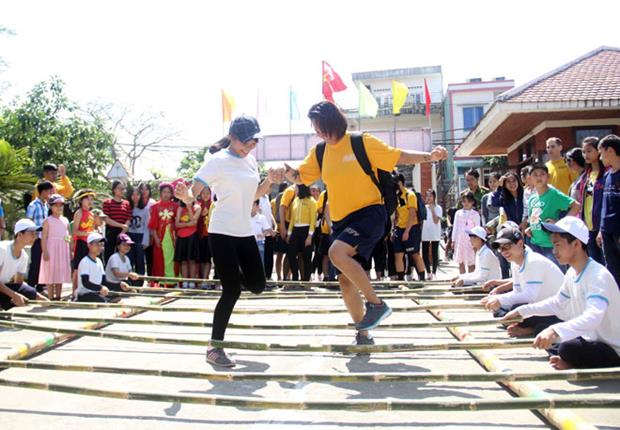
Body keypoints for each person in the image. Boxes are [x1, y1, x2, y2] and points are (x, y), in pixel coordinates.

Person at [283, 101, 447, 347]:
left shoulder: (361, 142)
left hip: (370, 214)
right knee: (345, 280)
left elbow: (398, 155)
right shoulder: (320, 152)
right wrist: (283, 172)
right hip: (341, 221)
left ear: (332, 122)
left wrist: (430, 157)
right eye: (314, 128)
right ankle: (364, 333)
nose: (317, 132)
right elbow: (300, 175)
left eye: (319, 126)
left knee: (336, 252)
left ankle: (377, 304)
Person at [175, 115, 283, 368]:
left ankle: (228, 277)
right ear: (232, 137)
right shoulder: (217, 161)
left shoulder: (251, 161)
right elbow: (194, 192)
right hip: (222, 231)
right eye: (246, 141)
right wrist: (186, 196)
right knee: (232, 290)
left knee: (257, 284)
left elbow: (254, 194)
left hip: (244, 231)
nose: (250, 146)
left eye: (254, 142)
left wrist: (270, 181)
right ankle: (215, 347)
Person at [503, 216, 620, 369]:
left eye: (558, 245)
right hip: (589, 339)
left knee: (565, 346)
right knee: (548, 337)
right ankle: (572, 360)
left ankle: (575, 361)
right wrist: (523, 311)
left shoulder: (598, 276)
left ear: (576, 244)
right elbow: (557, 302)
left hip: (611, 347)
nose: (554, 251)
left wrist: (554, 330)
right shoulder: (572, 272)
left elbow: (593, 317)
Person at [482, 223, 564, 337]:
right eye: (500, 248)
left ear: (520, 244)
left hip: (557, 311)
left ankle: (532, 329)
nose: (503, 251)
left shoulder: (533, 261)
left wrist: (499, 299)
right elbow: (518, 292)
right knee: (507, 311)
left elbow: (530, 296)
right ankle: (529, 327)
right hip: (539, 307)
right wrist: (496, 299)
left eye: (507, 246)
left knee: (512, 311)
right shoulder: (515, 262)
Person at [526, 162, 580, 269]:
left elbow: (576, 206)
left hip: (551, 245)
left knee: (557, 276)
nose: (539, 177)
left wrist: (561, 224)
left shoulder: (554, 194)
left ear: (548, 177)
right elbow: (534, 216)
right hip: (535, 243)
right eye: (535, 175)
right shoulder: (532, 197)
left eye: (542, 174)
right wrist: (530, 227)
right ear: (530, 178)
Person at [0, 219, 49, 310]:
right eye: (31, 233)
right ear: (19, 235)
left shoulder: (24, 256)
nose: (35, 237)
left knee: (29, 292)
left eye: (36, 233)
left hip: (2, 288)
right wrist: (14, 295)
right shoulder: (2, 249)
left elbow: (19, 284)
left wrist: (37, 295)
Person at [76, 232, 130, 303]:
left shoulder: (99, 261)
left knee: (116, 295)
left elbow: (104, 282)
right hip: (85, 294)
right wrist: (100, 288)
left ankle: (107, 300)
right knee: (99, 299)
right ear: (89, 245)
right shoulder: (85, 261)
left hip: (97, 292)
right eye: (97, 244)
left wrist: (119, 284)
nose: (100, 247)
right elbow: (85, 283)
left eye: (101, 245)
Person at [38, 194, 72, 300]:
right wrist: (45, 251)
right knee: (50, 272)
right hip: (51, 248)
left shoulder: (66, 220)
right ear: (51, 206)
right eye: (56, 205)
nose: (59, 207)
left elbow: (67, 236)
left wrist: (69, 249)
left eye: (61, 205)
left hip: (63, 248)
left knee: (60, 272)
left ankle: (58, 296)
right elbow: (43, 238)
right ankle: (50, 296)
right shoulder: (47, 221)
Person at [392, 174, 424, 281]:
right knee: (398, 255)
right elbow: (396, 215)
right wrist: (394, 229)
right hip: (399, 229)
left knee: (415, 254)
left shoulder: (410, 195)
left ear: (400, 182)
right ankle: (401, 280)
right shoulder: (397, 197)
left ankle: (422, 278)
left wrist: (407, 231)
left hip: (411, 229)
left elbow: (412, 214)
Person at [598, 134, 620, 288]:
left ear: (610, 150)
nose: (600, 157)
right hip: (606, 232)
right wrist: (601, 229)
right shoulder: (606, 175)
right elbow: (605, 206)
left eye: (601, 152)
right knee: (612, 272)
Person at [580, 137, 606, 265]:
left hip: (602, 227)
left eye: (589, 151)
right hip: (588, 227)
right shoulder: (586, 175)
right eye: (584, 152)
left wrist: (602, 227)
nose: (586, 155)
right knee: (594, 264)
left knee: (607, 264)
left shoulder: (607, 173)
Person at [148, 182, 178, 283]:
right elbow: (152, 225)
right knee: (160, 258)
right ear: (160, 193)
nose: (166, 194)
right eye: (164, 192)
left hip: (172, 235)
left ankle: (172, 280)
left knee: (172, 256)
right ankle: (161, 281)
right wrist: (155, 237)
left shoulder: (176, 206)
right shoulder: (155, 207)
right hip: (160, 235)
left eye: (169, 192)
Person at [26, 180, 53, 292]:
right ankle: (31, 286)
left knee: (44, 262)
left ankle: (41, 285)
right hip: (37, 238)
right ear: (43, 191)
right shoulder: (33, 205)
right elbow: (29, 221)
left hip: (46, 238)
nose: (50, 194)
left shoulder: (47, 205)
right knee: (35, 261)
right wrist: (34, 235)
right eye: (48, 191)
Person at [286, 184, 317, 282]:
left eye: (297, 187)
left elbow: (313, 220)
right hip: (295, 230)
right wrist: (289, 233)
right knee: (291, 254)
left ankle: (306, 280)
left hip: (306, 230)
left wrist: (310, 236)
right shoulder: (295, 200)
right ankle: (295, 277)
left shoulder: (312, 201)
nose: (295, 189)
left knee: (306, 257)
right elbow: (292, 220)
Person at [174, 198, 201, 288]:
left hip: (192, 236)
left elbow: (194, 222)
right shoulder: (180, 208)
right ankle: (185, 281)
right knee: (183, 261)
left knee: (192, 260)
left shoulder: (197, 207)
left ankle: (192, 281)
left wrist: (189, 208)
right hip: (181, 236)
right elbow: (177, 224)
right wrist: (188, 224)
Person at [102, 180, 132, 264]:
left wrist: (122, 231)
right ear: (114, 189)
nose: (122, 190)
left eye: (123, 189)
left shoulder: (126, 203)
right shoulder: (107, 202)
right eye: (119, 188)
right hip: (111, 231)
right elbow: (106, 219)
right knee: (109, 254)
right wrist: (121, 225)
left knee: (123, 255)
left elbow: (128, 218)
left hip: (123, 233)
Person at [451, 191, 481, 274]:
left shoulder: (475, 214)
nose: (466, 203)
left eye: (469, 201)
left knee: (471, 261)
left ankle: (471, 279)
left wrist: (477, 241)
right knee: (461, 261)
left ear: (473, 202)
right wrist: (453, 240)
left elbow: (478, 229)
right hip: (460, 240)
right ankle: (462, 278)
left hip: (471, 240)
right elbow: (455, 227)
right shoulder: (458, 213)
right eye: (464, 201)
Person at [127, 185, 149, 283]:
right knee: (129, 259)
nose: (135, 197)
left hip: (140, 237)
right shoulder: (127, 208)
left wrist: (145, 241)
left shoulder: (144, 210)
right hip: (129, 236)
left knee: (140, 260)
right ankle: (130, 282)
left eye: (137, 195)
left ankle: (139, 282)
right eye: (133, 195)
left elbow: (146, 226)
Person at [421, 189, 442, 280]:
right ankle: (428, 272)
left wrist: (432, 209)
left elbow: (436, 221)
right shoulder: (423, 208)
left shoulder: (438, 208)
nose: (428, 198)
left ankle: (434, 272)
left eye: (430, 196)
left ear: (434, 197)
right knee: (424, 253)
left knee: (434, 253)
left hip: (435, 233)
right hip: (425, 232)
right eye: (427, 196)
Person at [197, 187, 213, 288]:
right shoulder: (198, 205)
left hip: (210, 235)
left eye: (207, 193)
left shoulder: (213, 205)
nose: (205, 195)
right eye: (203, 193)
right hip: (200, 236)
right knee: (202, 259)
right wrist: (201, 216)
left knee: (208, 259)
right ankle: (202, 279)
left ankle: (206, 279)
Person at [251, 199, 274, 264]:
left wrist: (263, 235)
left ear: (257, 206)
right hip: (248, 242)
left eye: (253, 204)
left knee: (260, 264)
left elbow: (268, 229)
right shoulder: (245, 217)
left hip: (259, 243)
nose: (250, 206)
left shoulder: (262, 217)